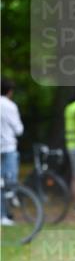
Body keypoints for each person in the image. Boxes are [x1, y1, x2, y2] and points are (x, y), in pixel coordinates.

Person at [0, 79, 24, 226]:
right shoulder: (10, 106)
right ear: (10, 91)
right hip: (8, 147)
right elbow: (19, 130)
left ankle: (3, 215)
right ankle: (11, 195)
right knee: (9, 180)